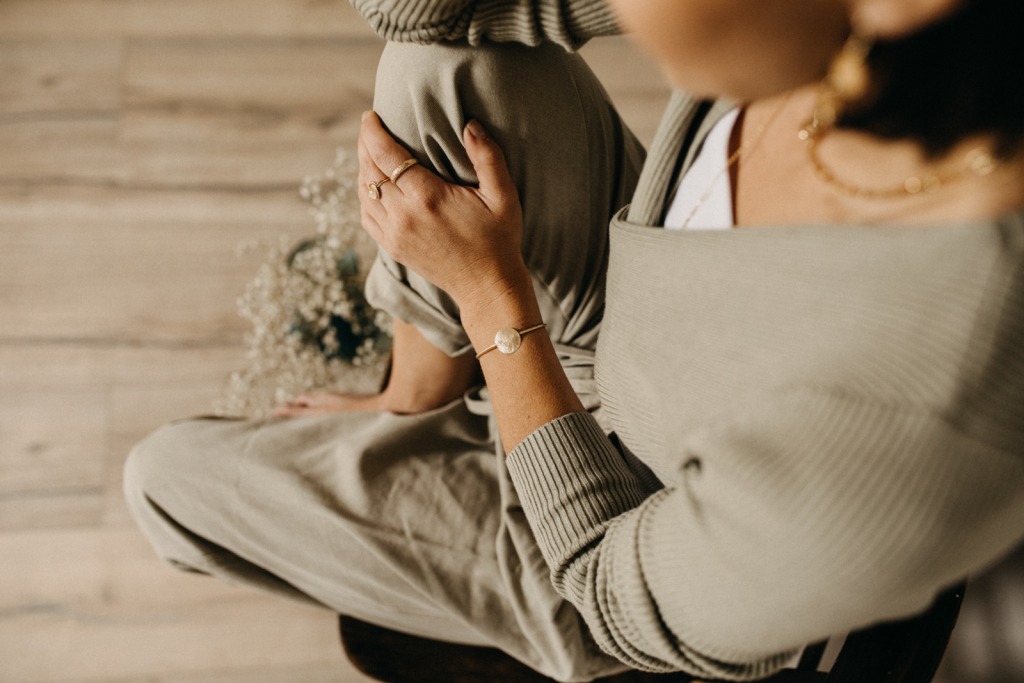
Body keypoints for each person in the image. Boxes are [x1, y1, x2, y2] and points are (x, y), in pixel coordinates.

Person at [125, 0, 1024, 680]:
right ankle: (416, 398)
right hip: (634, 326)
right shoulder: (885, 38)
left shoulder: (925, 416)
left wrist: (491, 299)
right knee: (439, 70)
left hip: (624, 522)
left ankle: (481, 518)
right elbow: (425, 13)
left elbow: (614, 597)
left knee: (163, 479)